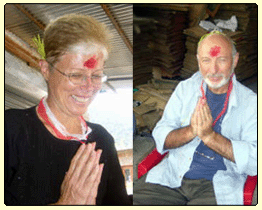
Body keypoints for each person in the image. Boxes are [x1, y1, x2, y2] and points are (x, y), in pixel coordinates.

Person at [5, 14, 131, 205]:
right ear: (46, 70)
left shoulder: (102, 139)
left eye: (96, 76)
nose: (88, 86)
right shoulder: (10, 129)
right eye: (76, 75)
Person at [133, 30, 257, 205]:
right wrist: (192, 130)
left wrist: (210, 137)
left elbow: (255, 159)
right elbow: (161, 133)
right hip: (172, 177)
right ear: (198, 61)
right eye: (206, 60)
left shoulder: (251, 103)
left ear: (235, 60)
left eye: (221, 60)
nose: (213, 70)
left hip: (217, 185)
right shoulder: (185, 89)